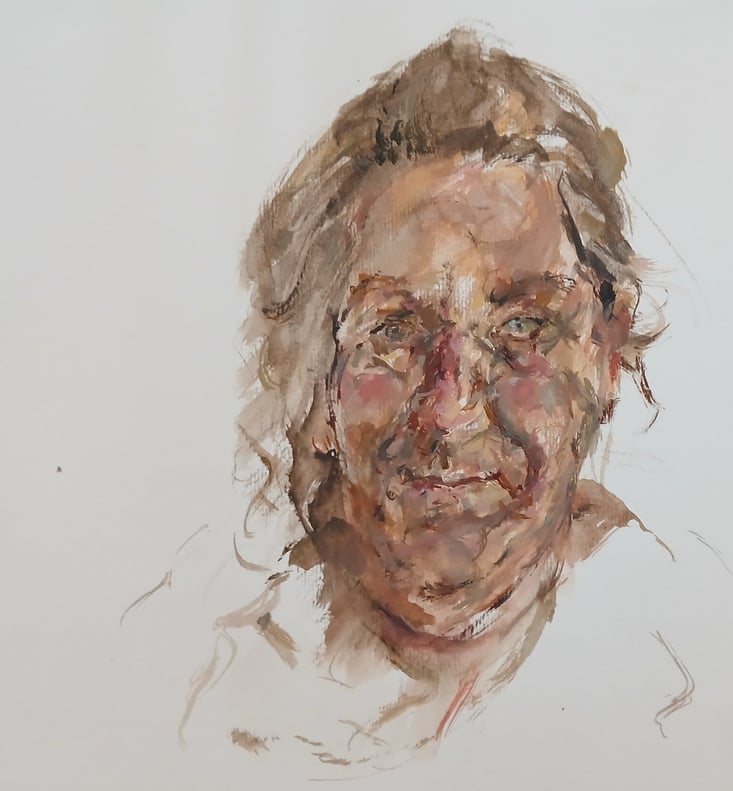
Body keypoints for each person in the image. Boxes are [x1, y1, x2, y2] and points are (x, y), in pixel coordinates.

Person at [177, 26, 667, 769]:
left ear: (606, 354)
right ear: (316, 379)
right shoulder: (204, 673)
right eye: (394, 332)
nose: (452, 411)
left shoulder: (690, 657)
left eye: (524, 326)